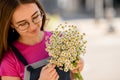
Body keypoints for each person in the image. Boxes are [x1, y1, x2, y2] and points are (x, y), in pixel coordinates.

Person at [0, 0, 84, 80]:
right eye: (23, 24)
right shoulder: (9, 61)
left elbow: (70, 77)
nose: (33, 27)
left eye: (35, 16)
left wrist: (76, 68)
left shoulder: (61, 39)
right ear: (12, 25)